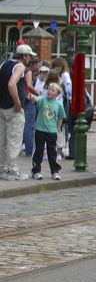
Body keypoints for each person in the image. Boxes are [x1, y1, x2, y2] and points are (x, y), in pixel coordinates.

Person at [0, 44, 34, 180]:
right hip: (13, 108)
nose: (30, 59)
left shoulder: (4, 64)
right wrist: (17, 102)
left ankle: (2, 168)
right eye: (29, 56)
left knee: (2, 139)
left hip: (2, 106)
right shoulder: (20, 67)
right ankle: (12, 170)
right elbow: (11, 84)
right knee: (14, 139)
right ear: (24, 56)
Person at [28, 82, 66, 180]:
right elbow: (36, 99)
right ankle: (36, 170)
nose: (50, 91)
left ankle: (55, 171)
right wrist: (32, 96)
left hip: (52, 131)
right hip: (40, 130)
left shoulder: (59, 105)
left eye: (53, 90)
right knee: (39, 151)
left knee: (52, 152)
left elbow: (61, 118)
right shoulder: (42, 99)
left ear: (57, 94)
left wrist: (57, 129)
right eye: (49, 89)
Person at [22, 57, 42, 157]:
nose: (38, 68)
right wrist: (37, 93)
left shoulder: (23, 70)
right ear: (33, 65)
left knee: (24, 124)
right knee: (29, 125)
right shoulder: (28, 71)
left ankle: (24, 146)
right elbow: (29, 85)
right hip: (29, 98)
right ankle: (29, 150)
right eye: (38, 66)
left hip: (24, 98)